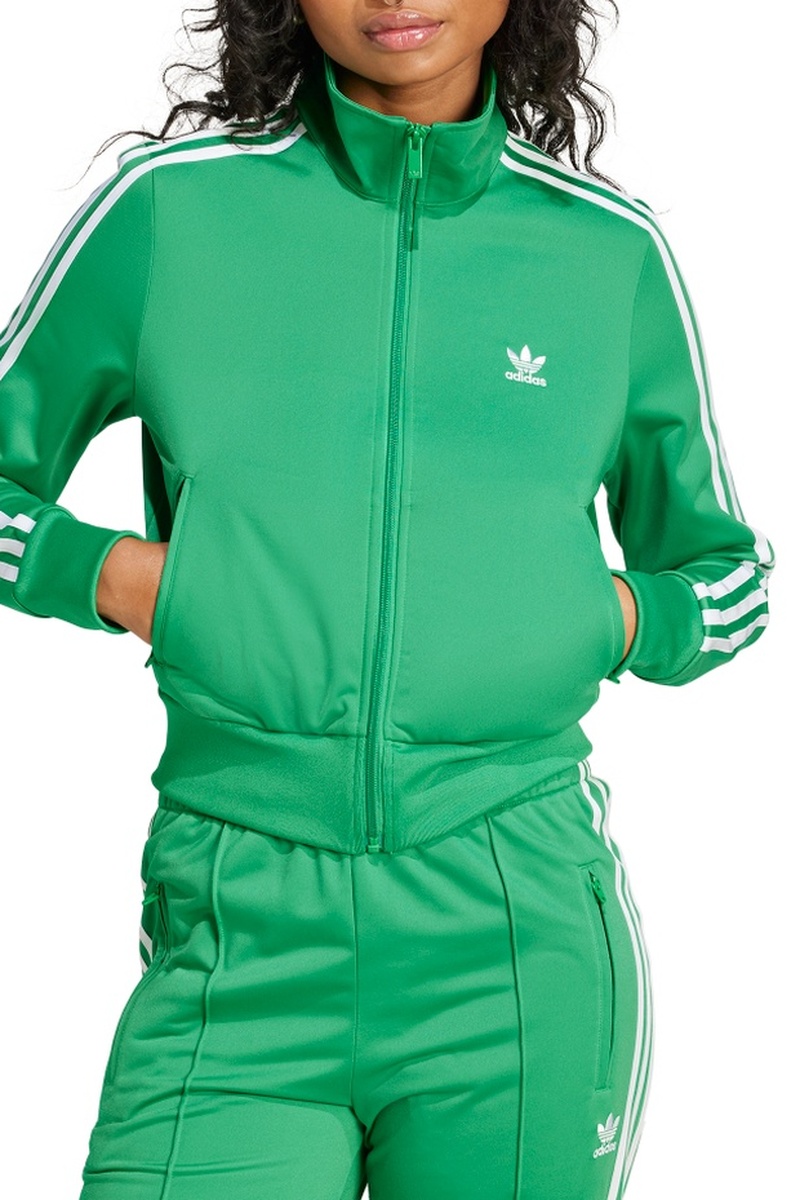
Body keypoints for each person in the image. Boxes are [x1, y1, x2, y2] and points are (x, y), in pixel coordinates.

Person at [0, 1, 775, 1197]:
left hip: (513, 939)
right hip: (238, 924)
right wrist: (121, 578)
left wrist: (604, 618)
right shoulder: (167, 213)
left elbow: (724, 577)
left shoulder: (604, 253)